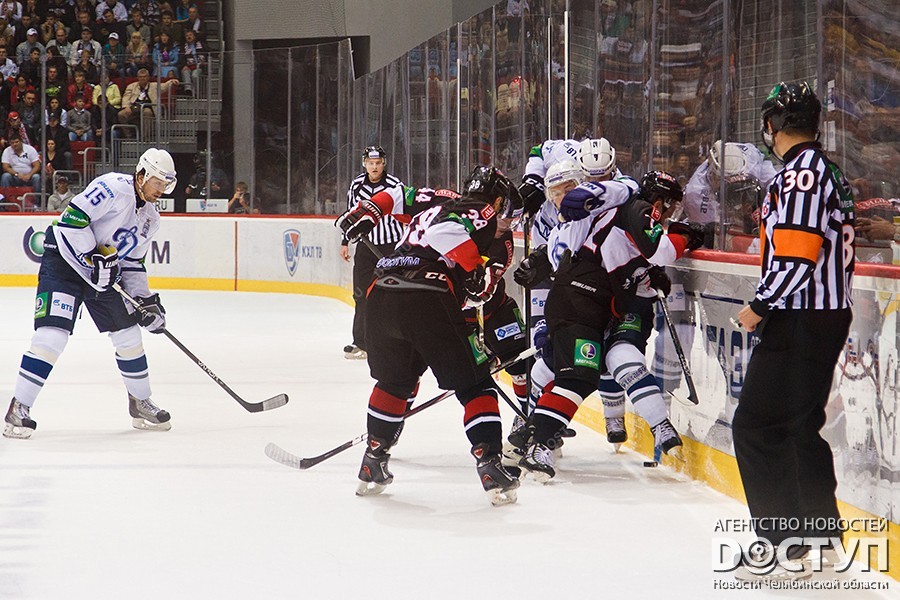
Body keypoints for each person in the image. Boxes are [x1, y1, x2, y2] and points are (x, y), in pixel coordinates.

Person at [335, 166, 524, 506]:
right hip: (428, 295)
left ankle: (373, 461)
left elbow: (397, 195)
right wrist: (474, 269)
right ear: (497, 201)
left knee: (395, 383)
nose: (506, 219)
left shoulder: (441, 199)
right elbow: (447, 237)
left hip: (382, 291)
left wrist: (369, 210)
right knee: (476, 384)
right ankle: (490, 465)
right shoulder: (483, 213)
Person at [731, 82, 855, 581]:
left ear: (775, 124)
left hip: (801, 314)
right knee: (800, 426)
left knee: (757, 427)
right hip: (823, 314)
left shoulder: (801, 175)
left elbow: (798, 253)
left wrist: (760, 305)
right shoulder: (827, 171)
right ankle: (821, 539)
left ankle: (786, 546)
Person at [515, 170, 704, 482]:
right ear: (660, 201)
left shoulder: (620, 212)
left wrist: (645, 272)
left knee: (571, 373)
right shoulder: (640, 208)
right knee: (577, 376)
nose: (670, 213)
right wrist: (687, 237)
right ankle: (538, 444)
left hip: (581, 299)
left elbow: (625, 256)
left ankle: (530, 433)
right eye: (669, 205)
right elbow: (662, 250)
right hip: (581, 301)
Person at [4, 148, 177, 439]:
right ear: (142, 175)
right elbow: (72, 220)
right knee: (51, 337)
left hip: (103, 274)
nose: (161, 190)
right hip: (64, 263)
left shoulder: (151, 218)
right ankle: (19, 408)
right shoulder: (112, 187)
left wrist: (145, 302)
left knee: (129, 336)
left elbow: (132, 263)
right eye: (157, 182)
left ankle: (140, 402)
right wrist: (91, 258)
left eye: (165, 184)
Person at [340, 145, 405, 360]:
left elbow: (405, 215)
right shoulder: (357, 185)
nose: (374, 167)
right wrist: (345, 241)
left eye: (378, 163)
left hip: (391, 247)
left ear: (383, 164)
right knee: (361, 295)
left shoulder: (395, 185)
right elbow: (351, 215)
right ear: (364, 164)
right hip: (366, 247)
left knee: (394, 295)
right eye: (370, 163)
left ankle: (396, 341)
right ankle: (361, 343)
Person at [179, 28, 204, 95]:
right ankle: (188, 91)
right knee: (185, 72)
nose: (189, 37)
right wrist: (184, 65)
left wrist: (217, 54)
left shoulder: (201, 44)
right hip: (188, 66)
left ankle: (196, 93)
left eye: (190, 35)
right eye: (187, 36)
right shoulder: (183, 47)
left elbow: (209, 50)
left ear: (194, 36)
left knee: (194, 75)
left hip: (198, 66)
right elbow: (181, 58)